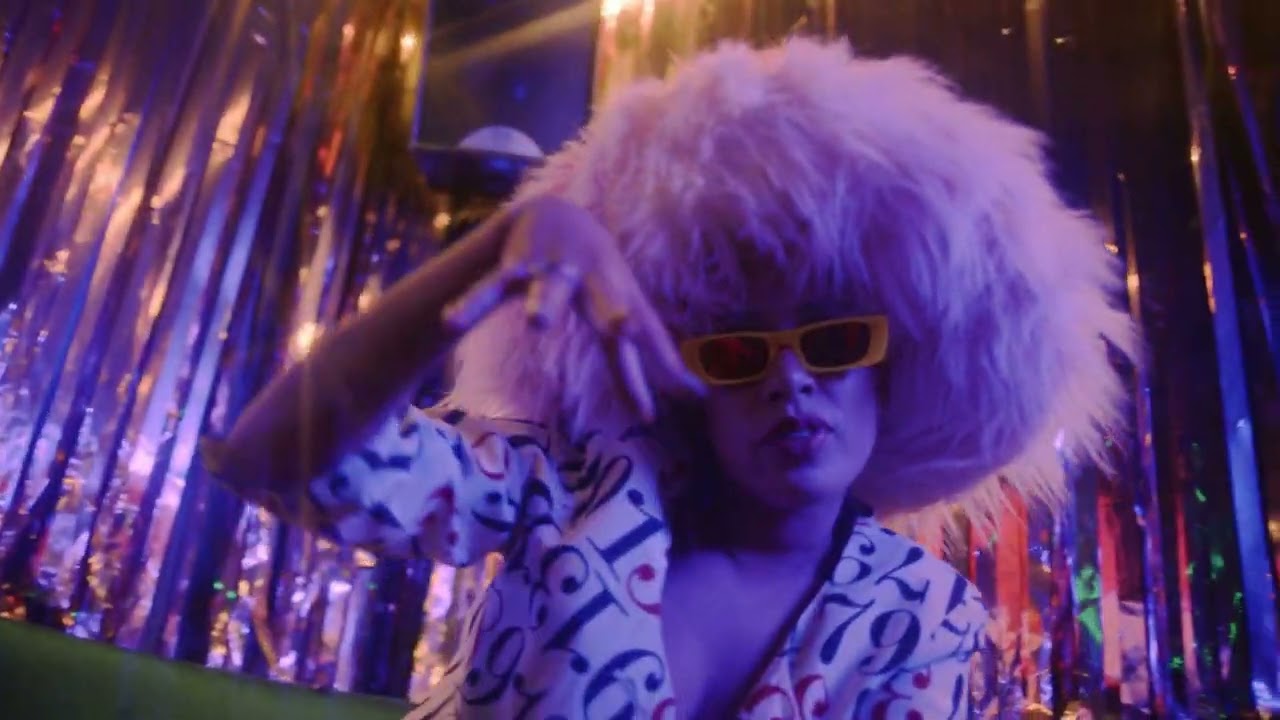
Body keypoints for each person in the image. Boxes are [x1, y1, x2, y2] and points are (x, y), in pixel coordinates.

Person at [202, 37, 1135, 719]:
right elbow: (271, 461)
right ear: (691, 386)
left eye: (835, 341)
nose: (790, 383)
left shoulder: (921, 614)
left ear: (892, 373)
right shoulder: (575, 486)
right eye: (736, 354)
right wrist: (500, 246)